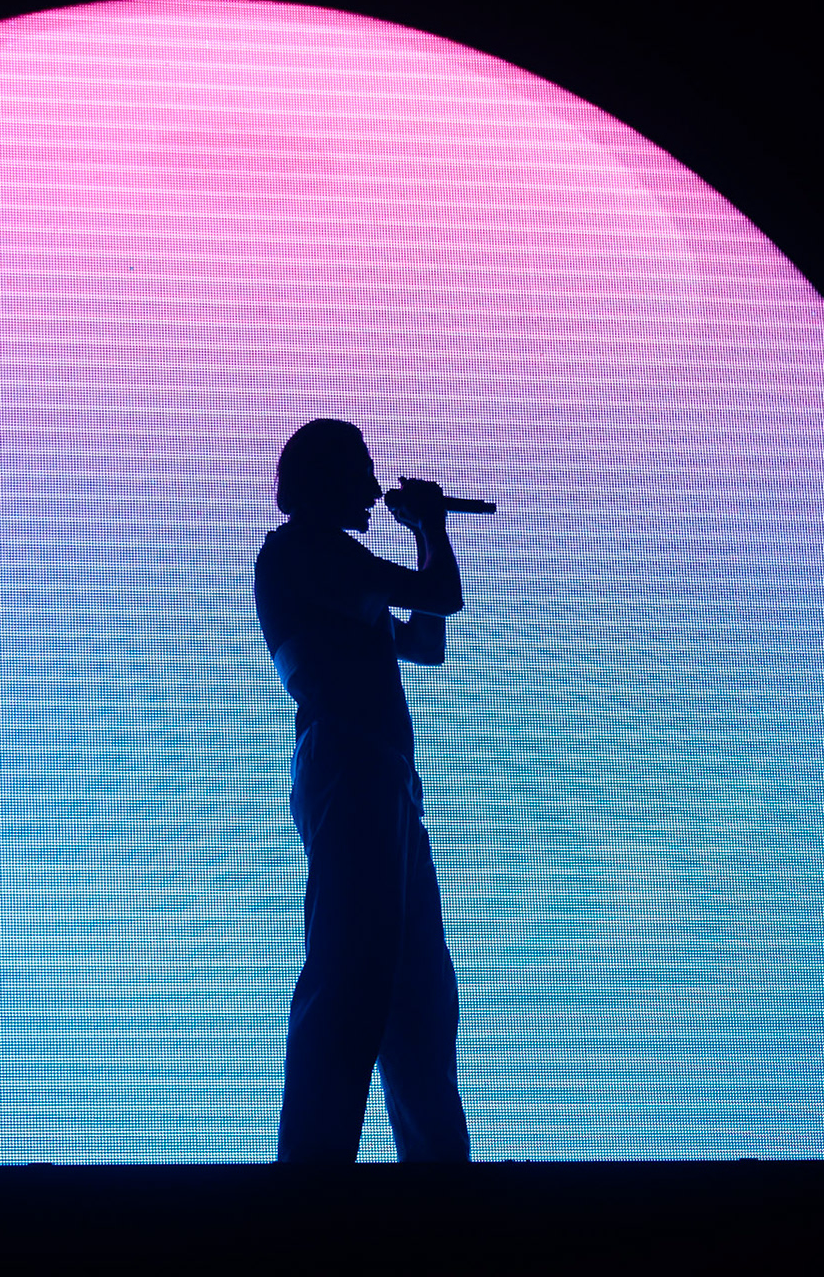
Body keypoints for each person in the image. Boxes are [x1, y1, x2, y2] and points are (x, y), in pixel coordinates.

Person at [253, 417, 471, 1163]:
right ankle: (313, 1181)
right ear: (324, 479)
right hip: (353, 770)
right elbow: (443, 597)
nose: (376, 489)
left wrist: (422, 533)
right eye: (362, 473)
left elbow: (426, 642)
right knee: (353, 972)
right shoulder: (307, 551)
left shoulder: (335, 567)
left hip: (380, 778)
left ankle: (434, 1172)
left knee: (416, 985)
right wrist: (431, 528)